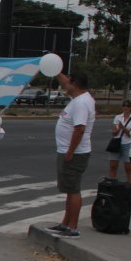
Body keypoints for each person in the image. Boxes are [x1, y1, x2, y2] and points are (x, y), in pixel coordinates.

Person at [47, 71, 95, 238]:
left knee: (73, 190)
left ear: (74, 84)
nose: (65, 85)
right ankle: (65, 224)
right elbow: (65, 82)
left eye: (68, 82)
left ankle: (72, 228)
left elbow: (80, 129)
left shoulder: (81, 103)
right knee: (69, 189)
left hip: (74, 154)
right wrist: (55, 69)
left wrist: (70, 152)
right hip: (70, 151)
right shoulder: (79, 98)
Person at [109, 100, 131, 183]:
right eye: (124, 106)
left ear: (130, 108)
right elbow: (114, 133)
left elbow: (130, 134)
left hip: (128, 143)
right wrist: (117, 130)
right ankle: (111, 186)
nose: (126, 108)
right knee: (113, 166)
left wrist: (123, 127)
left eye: (128, 106)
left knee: (128, 168)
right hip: (116, 142)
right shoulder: (118, 117)